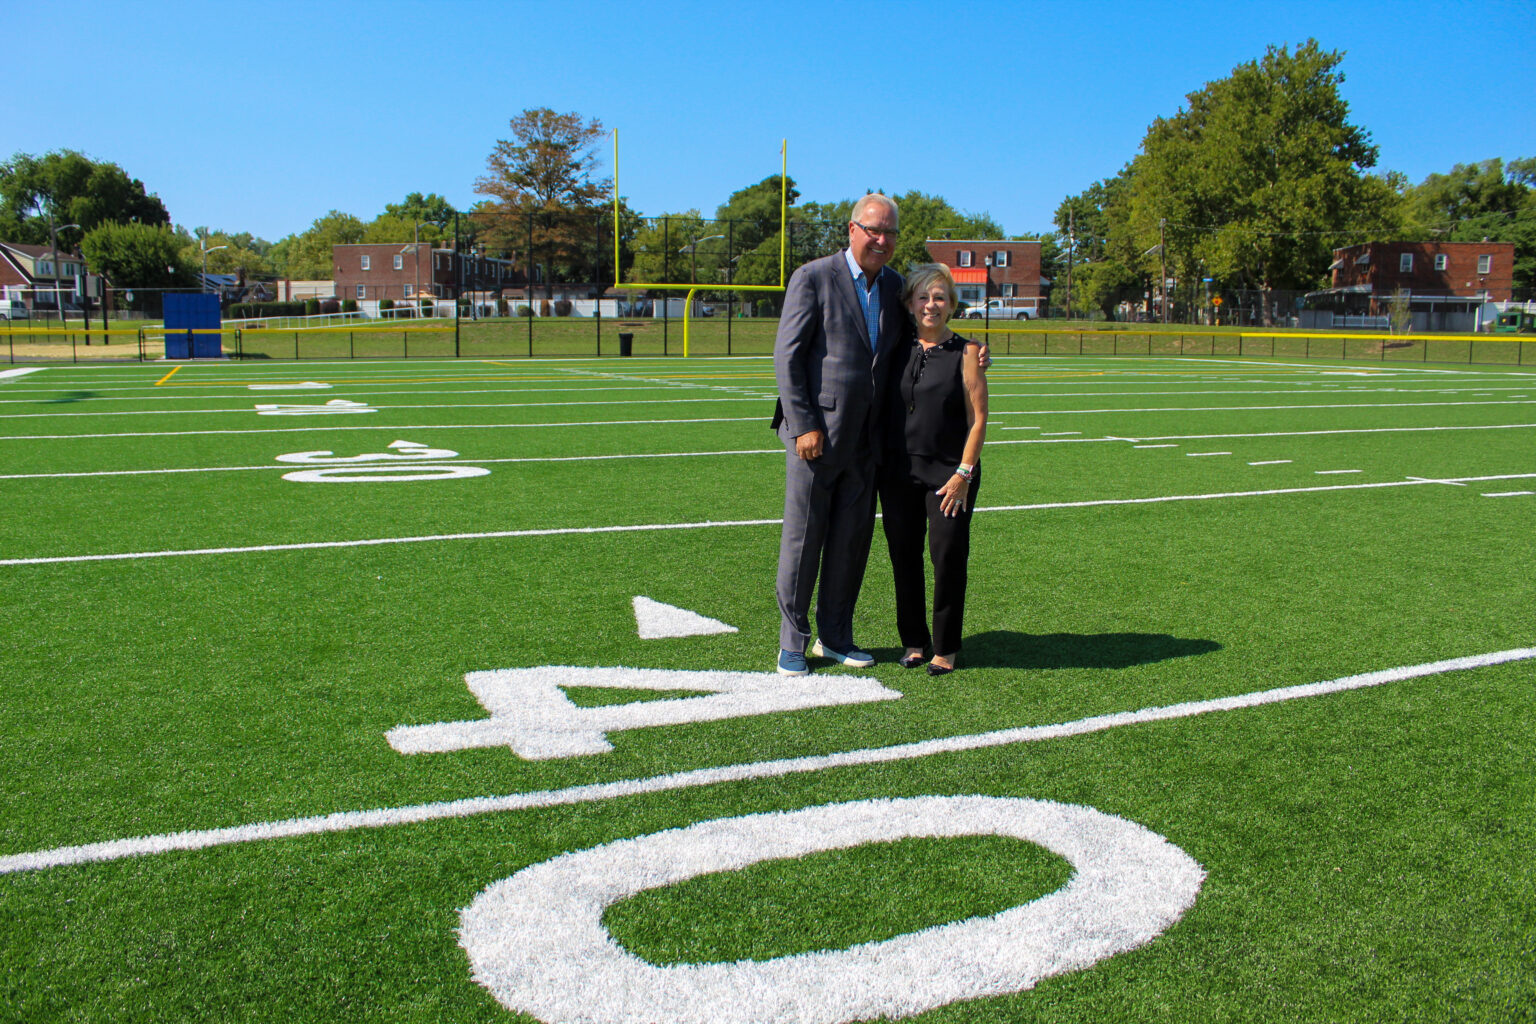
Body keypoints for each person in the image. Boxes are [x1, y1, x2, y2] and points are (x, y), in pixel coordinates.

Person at [771, 194, 905, 675]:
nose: (882, 239)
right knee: (803, 541)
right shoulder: (813, 276)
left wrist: (969, 352)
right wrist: (803, 423)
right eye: (874, 229)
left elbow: (916, 345)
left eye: (890, 232)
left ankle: (835, 637)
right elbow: (788, 357)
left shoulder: (895, 286)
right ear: (852, 229)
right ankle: (792, 640)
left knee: (851, 542)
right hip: (817, 437)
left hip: (867, 442)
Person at [877, 263, 988, 676]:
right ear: (909, 303)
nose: (931, 305)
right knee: (903, 557)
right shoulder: (894, 347)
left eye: (939, 297)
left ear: (952, 304)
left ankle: (946, 646)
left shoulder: (968, 352)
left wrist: (963, 473)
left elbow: (979, 419)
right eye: (922, 297)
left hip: (949, 475)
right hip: (898, 472)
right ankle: (914, 640)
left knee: (948, 557)